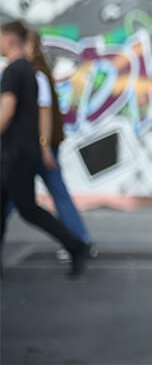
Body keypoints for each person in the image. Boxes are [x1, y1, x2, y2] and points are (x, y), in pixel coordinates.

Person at [0, 20, 89, 276]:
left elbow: (8, 111)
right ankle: (76, 244)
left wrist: (44, 146)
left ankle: (75, 246)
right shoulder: (29, 71)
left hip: (17, 153)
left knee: (29, 209)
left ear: (9, 40)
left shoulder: (14, 72)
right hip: (21, 151)